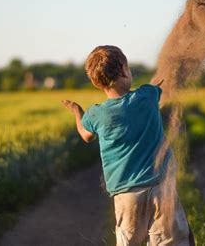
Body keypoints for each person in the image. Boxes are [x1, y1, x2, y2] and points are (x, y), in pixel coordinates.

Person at [62, 45, 193, 245]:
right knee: (170, 240)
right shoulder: (147, 95)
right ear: (124, 70)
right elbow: (157, 88)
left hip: (126, 195)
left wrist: (77, 111)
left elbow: (86, 135)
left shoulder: (96, 114)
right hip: (160, 187)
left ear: (96, 82)